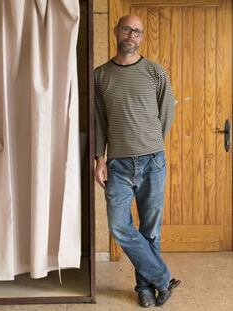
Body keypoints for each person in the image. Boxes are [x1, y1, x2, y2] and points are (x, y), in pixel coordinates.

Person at [94, 15, 181, 308]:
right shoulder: (100, 75)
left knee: (150, 230)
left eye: (138, 32)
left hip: (152, 162)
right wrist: (99, 159)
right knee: (119, 227)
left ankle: (145, 289)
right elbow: (98, 122)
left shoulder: (156, 72)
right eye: (128, 29)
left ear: (142, 38)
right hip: (117, 164)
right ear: (117, 31)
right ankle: (162, 278)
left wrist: (152, 143)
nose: (132, 35)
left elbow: (167, 113)